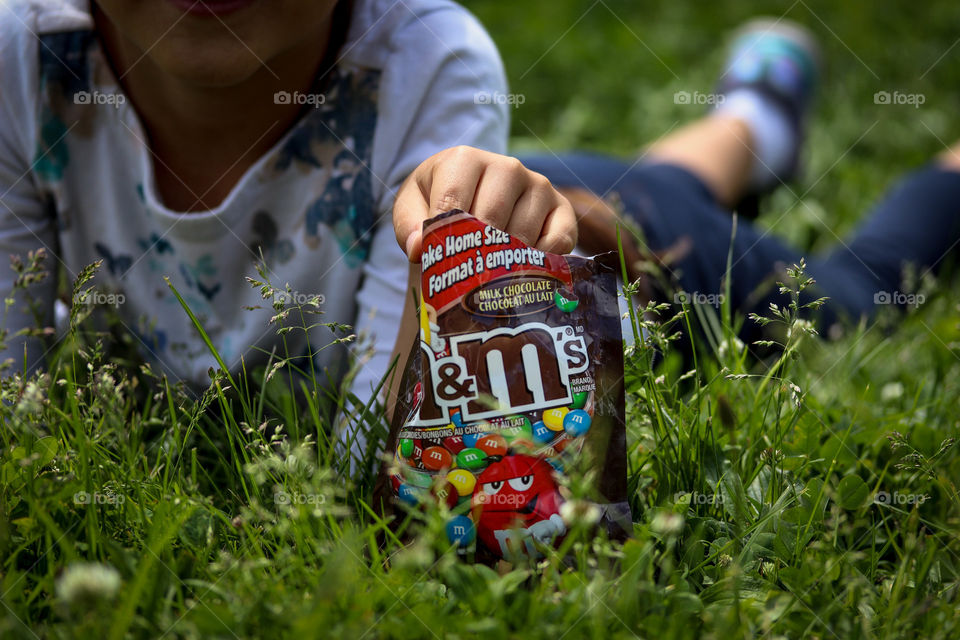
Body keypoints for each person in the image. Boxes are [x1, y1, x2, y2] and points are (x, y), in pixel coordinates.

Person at [0, 0, 576, 436]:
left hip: (575, 204)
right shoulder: (22, 52)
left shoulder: (427, 62)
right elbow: (13, 418)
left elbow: (396, 469)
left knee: (603, 214)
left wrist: (442, 255)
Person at [520, 19, 960, 342]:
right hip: (551, 182)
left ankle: (758, 120)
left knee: (864, 292)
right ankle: (759, 115)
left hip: (639, 257)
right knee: (657, 184)